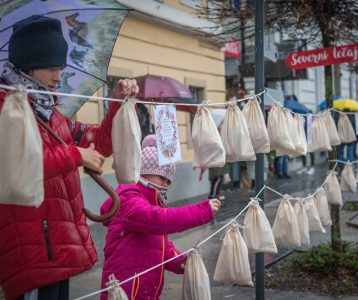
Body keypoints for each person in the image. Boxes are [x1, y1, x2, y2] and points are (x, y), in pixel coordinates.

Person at [0, 15, 139, 300]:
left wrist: (114, 105)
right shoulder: (6, 108)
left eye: (60, 68)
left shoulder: (51, 113)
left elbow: (97, 145)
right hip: (31, 251)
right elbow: (14, 167)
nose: (58, 77)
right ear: (28, 66)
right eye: (52, 68)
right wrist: (75, 155)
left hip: (55, 247)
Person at [100, 135, 221, 300]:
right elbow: (159, 219)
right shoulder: (129, 198)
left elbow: (157, 245)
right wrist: (201, 211)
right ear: (144, 172)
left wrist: (177, 260)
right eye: (162, 178)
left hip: (144, 289)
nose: (165, 184)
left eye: (168, 181)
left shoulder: (150, 202)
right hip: (126, 291)